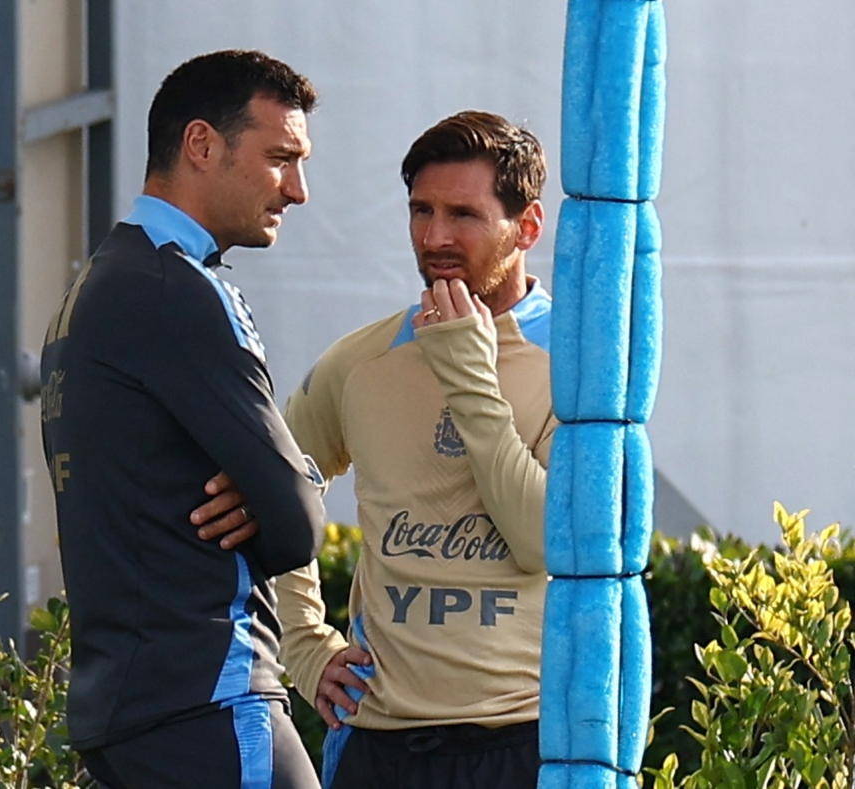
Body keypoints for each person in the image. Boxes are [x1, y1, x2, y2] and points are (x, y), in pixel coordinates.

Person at [194, 110, 557, 789]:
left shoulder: (576, 370)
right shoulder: (361, 362)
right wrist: (304, 644)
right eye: (422, 211)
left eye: (463, 215)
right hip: (378, 744)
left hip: (525, 741)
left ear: (528, 226)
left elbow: (542, 539)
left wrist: (468, 375)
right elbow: (266, 494)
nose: (435, 237)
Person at [40, 50, 327, 789]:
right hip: (209, 702)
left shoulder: (99, 281)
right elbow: (297, 526)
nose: (298, 190)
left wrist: (274, 482)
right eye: (280, 159)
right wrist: (288, 482)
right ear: (201, 143)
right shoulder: (181, 286)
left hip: (126, 713)